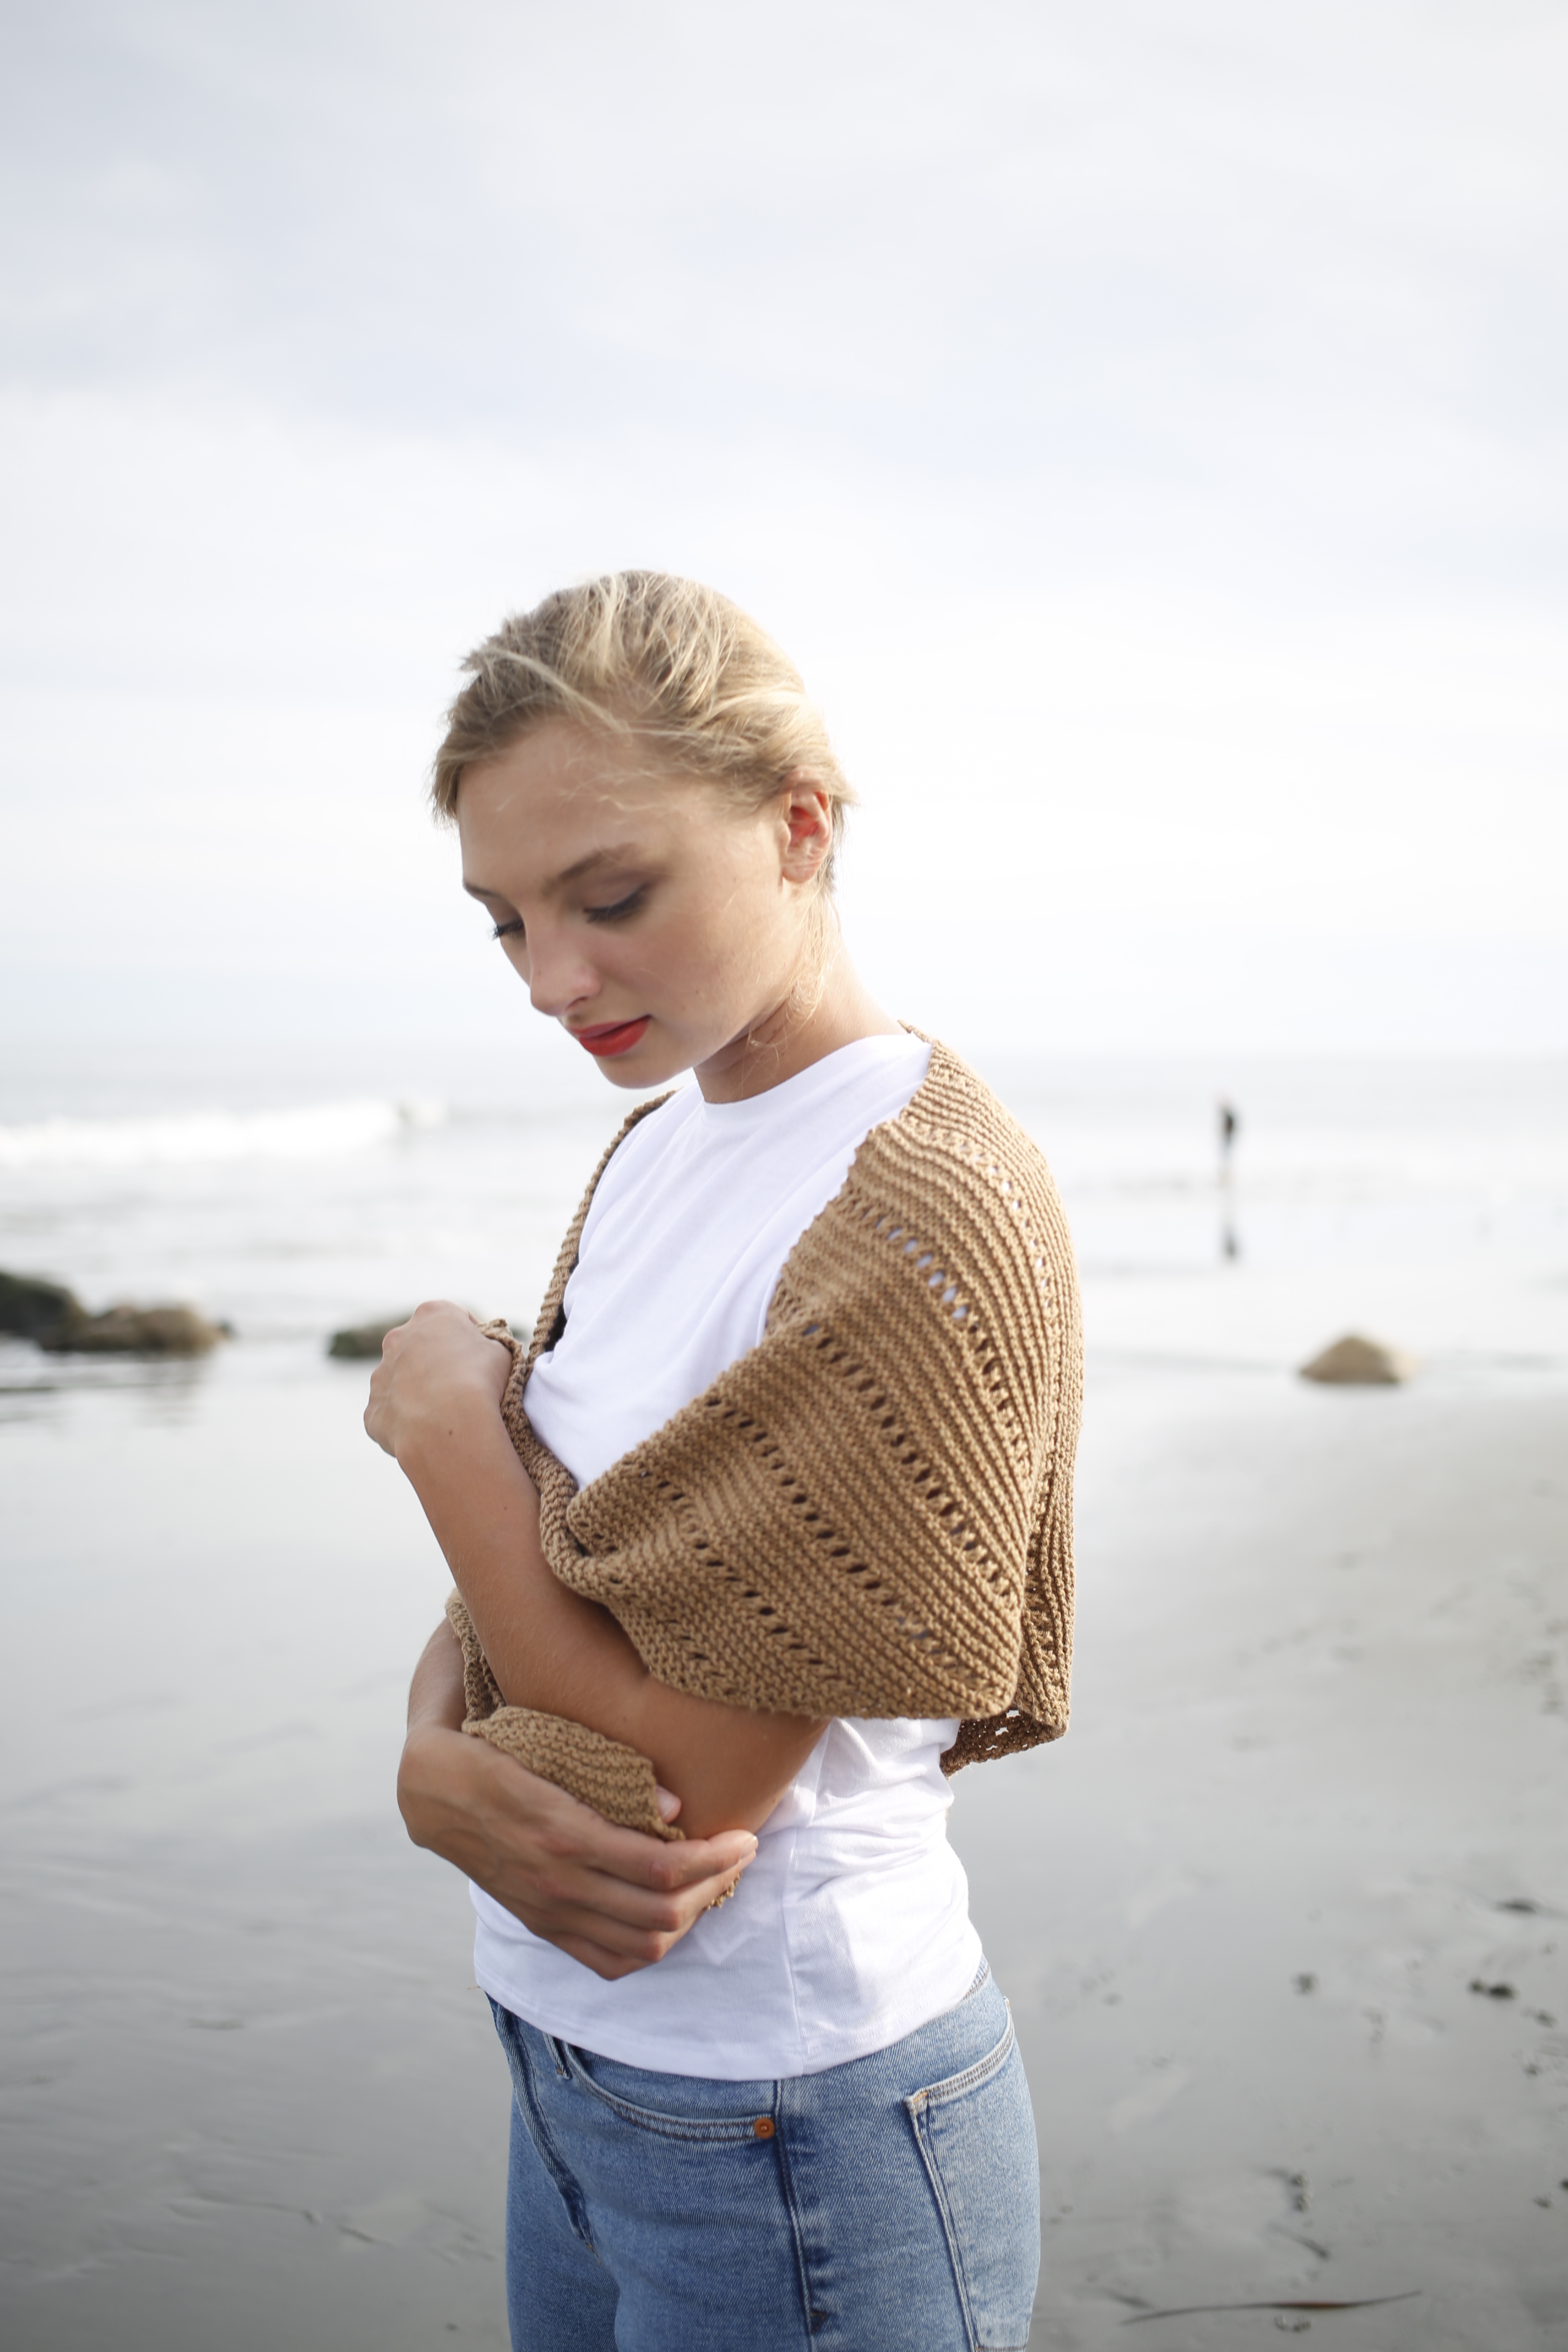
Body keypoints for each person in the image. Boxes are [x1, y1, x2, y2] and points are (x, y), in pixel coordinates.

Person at [366, 573, 1082, 2351]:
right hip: (569, 2074)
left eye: (611, 898)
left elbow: (682, 1791)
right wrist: (430, 1762)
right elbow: (557, 1570)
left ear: (799, 827)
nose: (553, 980)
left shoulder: (918, 1212)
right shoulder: (661, 1143)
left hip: (796, 2127)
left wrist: (449, 1436)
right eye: (506, 922)